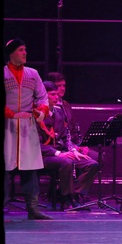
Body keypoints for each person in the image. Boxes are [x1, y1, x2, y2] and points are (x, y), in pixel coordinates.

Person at [3, 38, 53, 220]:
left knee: (30, 167)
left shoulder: (32, 74)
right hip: (7, 125)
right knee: (5, 167)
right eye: (21, 50)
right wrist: (11, 114)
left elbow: (42, 97)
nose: (25, 53)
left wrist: (42, 111)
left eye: (25, 49)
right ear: (11, 53)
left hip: (27, 126)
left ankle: (33, 208)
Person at [37, 80, 100, 210]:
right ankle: (66, 198)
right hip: (44, 155)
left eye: (57, 94)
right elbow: (36, 145)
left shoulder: (59, 113)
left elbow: (65, 137)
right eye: (52, 94)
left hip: (62, 152)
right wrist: (59, 153)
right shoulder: (36, 115)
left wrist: (73, 150)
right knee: (66, 162)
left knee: (92, 164)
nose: (56, 97)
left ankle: (76, 195)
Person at [45, 71, 81, 145]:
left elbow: (73, 128)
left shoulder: (66, 105)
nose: (62, 88)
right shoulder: (46, 107)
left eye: (64, 86)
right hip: (57, 144)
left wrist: (79, 145)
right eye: (59, 86)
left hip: (70, 143)